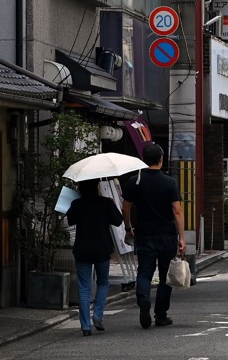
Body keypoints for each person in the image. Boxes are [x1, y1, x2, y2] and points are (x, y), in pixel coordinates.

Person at [120, 142, 186, 329]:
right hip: (166, 233)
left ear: (144, 160)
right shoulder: (169, 182)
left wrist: (128, 227)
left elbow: (126, 206)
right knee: (166, 275)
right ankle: (161, 314)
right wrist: (182, 237)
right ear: (160, 159)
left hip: (145, 232)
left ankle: (143, 300)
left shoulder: (135, 181)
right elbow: (177, 210)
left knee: (145, 271)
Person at [66, 179, 123, 336]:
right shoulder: (105, 203)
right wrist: (112, 204)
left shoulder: (77, 203)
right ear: (97, 187)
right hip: (102, 249)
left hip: (82, 249)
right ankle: (98, 315)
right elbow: (118, 221)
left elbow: (70, 220)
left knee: (84, 287)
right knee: (103, 282)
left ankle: (85, 326)